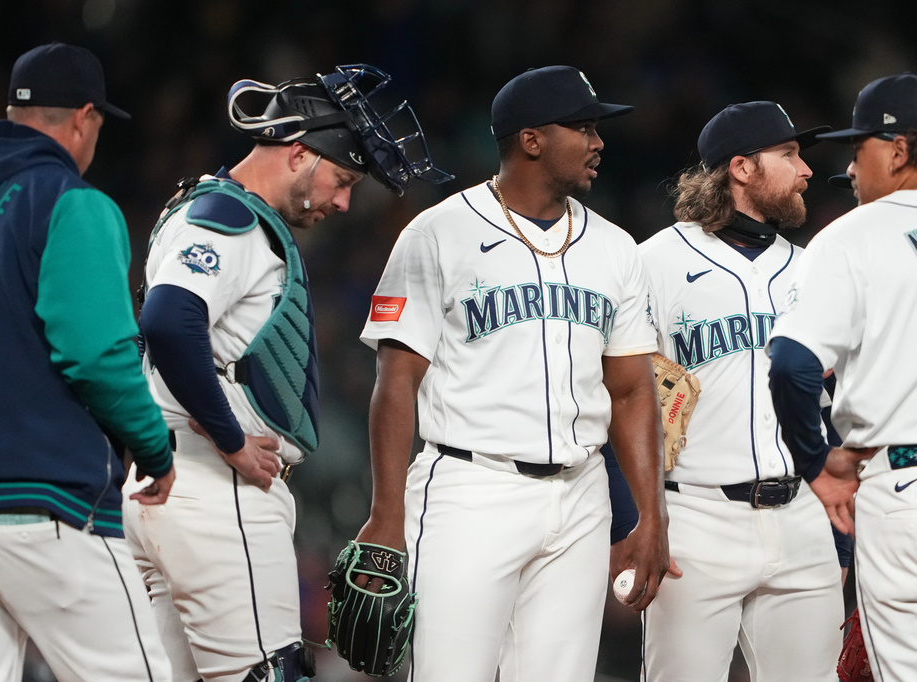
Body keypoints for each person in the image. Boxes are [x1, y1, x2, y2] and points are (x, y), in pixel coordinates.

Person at [122, 64, 450, 682]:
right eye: (343, 179)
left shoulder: (198, 206)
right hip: (214, 487)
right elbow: (168, 320)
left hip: (163, 479)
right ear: (299, 153)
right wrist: (231, 438)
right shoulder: (231, 217)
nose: (345, 200)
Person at [354, 65, 670, 682]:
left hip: (581, 495)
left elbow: (633, 391)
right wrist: (386, 513)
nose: (598, 141)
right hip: (471, 487)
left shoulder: (615, 248)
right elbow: (396, 383)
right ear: (531, 140)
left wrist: (650, 516)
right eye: (582, 127)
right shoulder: (439, 232)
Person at [0, 42, 174, 682]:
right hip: (40, 509)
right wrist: (153, 449)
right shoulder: (70, 202)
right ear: (83, 117)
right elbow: (96, 354)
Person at [634, 101, 844, 681]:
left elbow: (834, 407)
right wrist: (634, 519)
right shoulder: (652, 263)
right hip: (695, 516)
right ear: (742, 168)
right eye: (790, 154)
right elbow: (620, 401)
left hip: (803, 514)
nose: (806, 171)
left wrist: (841, 538)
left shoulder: (813, 267)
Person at [769, 72, 917, 682]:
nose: (850, 171)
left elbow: (793, 365)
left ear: (899, 151)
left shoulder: (852, 236)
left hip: (902, 488)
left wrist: (818, 461)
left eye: (859, 151)